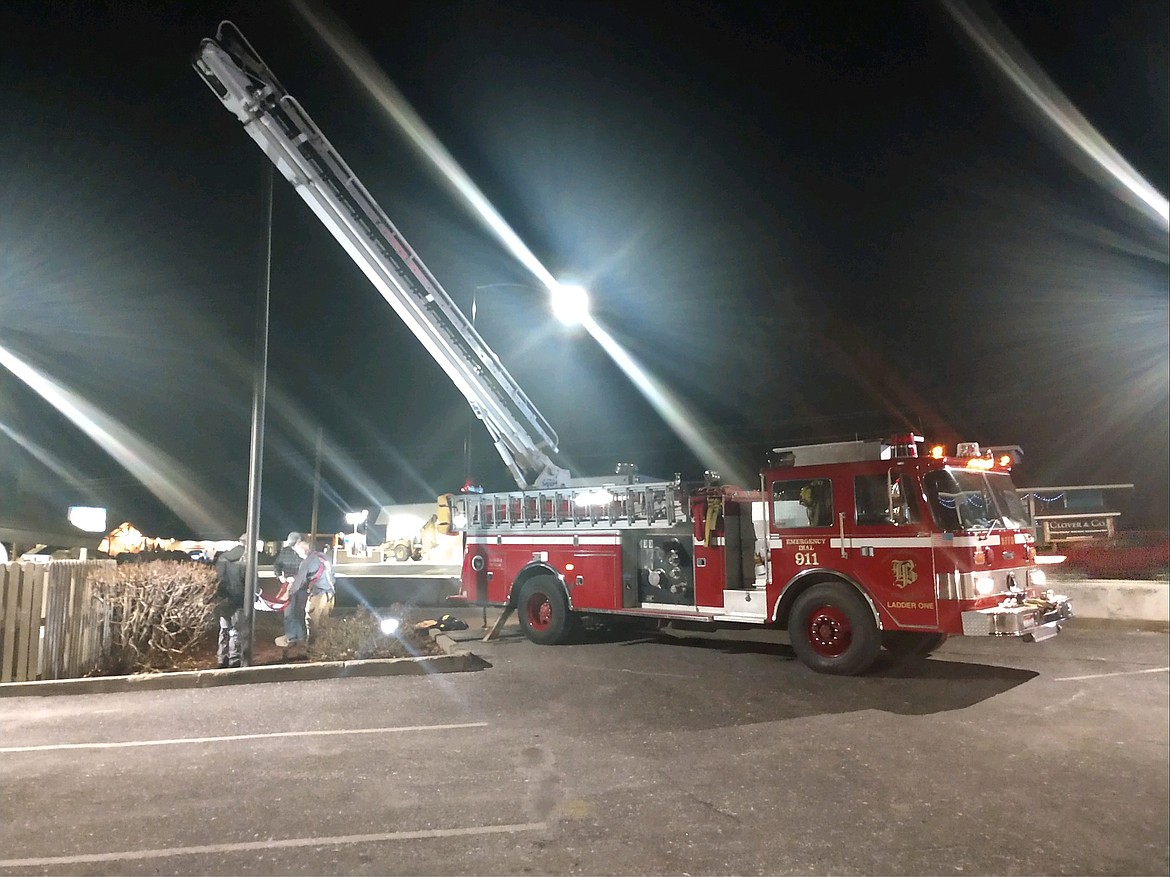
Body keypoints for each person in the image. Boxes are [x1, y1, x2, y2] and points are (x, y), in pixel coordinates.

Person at [213, 534, 248, 669]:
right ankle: (234, 660)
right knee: (236, 630)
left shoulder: (223, 558)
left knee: (224, 629)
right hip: (239, 599)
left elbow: (217, 578)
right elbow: (250, 581)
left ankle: (222, 659)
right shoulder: (246, 559)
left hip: (223, 598)